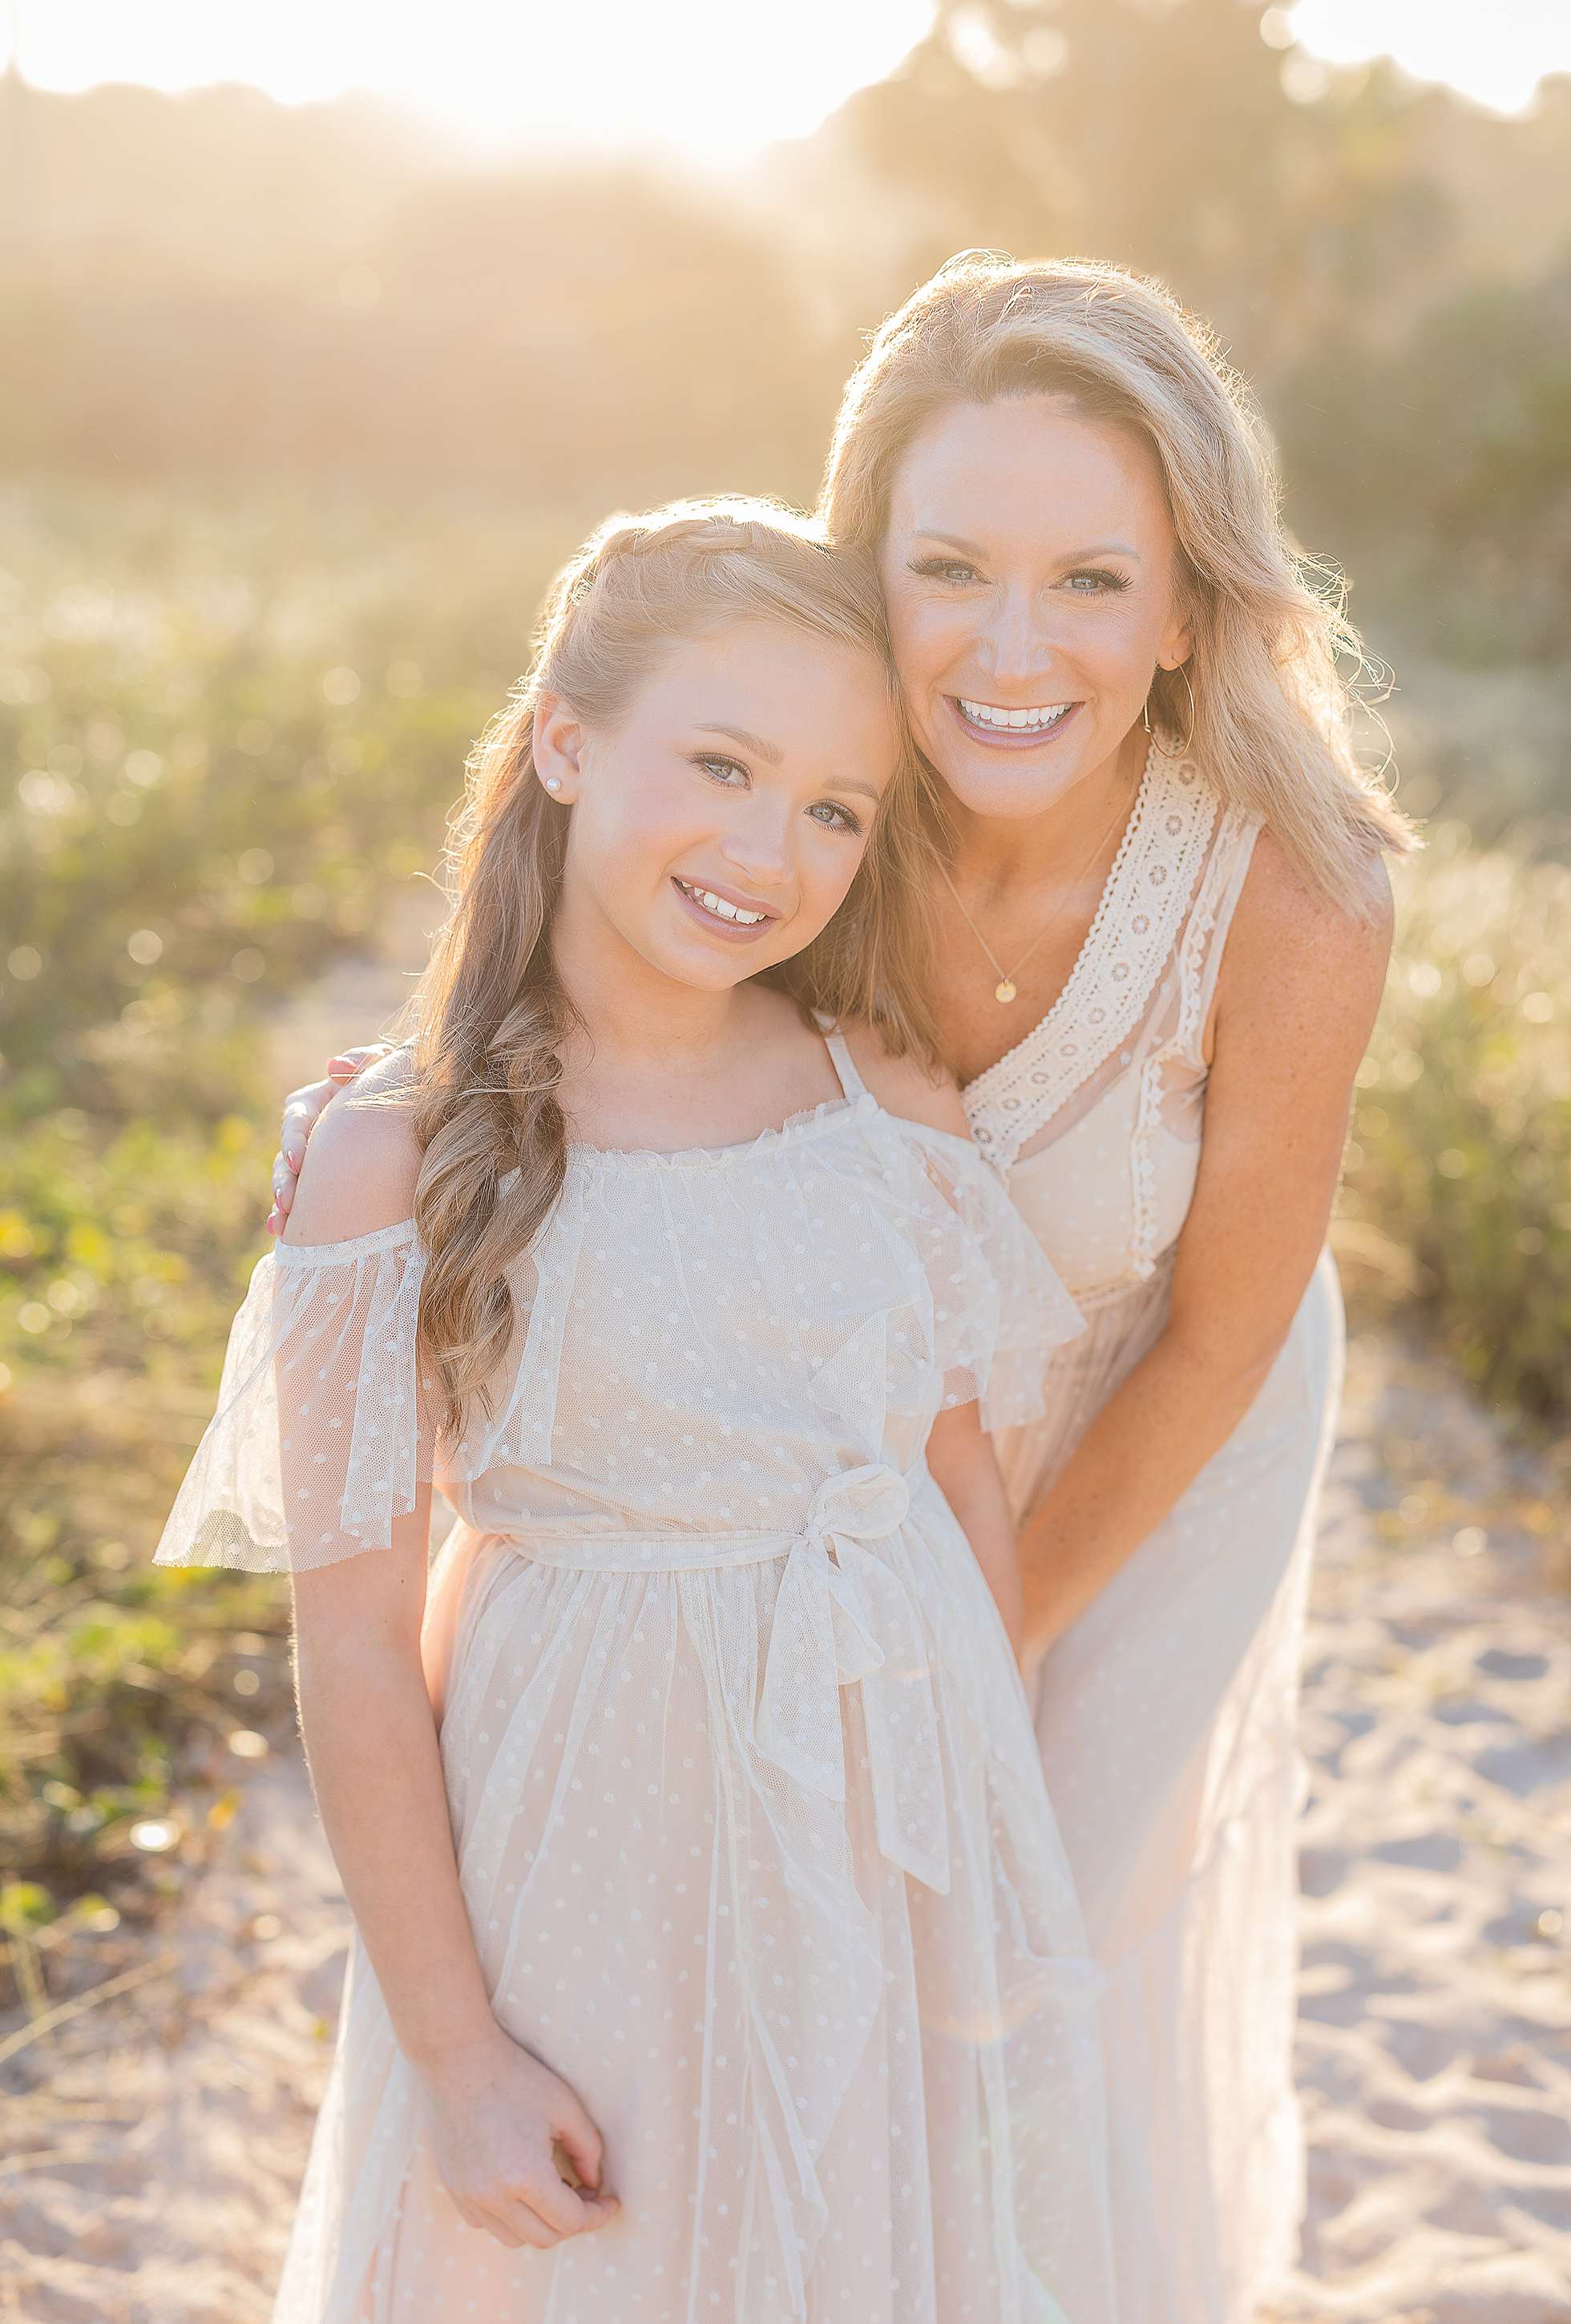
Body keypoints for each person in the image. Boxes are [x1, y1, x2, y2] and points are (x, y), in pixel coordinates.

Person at [271, 258, 1405, 2324]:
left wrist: (942, 1674)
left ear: (1183, 606)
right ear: (859, 560)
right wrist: (410, 1099)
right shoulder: (829, 805)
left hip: (1152, 1429)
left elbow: (1225, 1326)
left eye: (1090, 578)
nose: (1008, 645)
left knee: (1035, 1963)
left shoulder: (1288, 883)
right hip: (797, 1422)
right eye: (949, 565)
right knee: (741, 1987)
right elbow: (606, 1013)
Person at [160, 501, 1111, 2323]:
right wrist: (457, 2057)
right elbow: (352, 1645)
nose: (773, 848)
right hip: (584, 1825)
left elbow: (960, 1489)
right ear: (567, 740)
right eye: (724, 765)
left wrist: (985, 1846)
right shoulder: (393, 1155)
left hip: (869, 1820)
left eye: (835, 808)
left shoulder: (880, 1088)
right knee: (610, 2241)